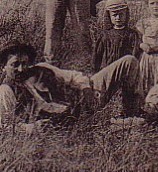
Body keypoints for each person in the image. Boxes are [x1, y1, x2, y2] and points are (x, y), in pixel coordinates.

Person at [0, 41, 142, 129]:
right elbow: (5, 125)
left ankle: (131, 111)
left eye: (24, 63)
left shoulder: (41, 68)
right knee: (139, 124)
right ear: (3, 67)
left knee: (128, 61)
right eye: (15, 65)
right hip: (68, 122)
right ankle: (127, 122)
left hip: (85, 98)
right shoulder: (6, 90)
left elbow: (74, 76)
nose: (21, 69)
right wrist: (31, 128)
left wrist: (86, 89)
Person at [93, 0, 141, 73]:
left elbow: (135, 54)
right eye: (114, 15)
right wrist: (96, 72)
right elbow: (97, 55)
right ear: (109, 16)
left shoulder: (132, 34)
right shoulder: (105, 35)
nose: (118, 18)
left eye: (121, 14)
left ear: (126, 15)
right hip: (108, 70)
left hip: (125, 70)